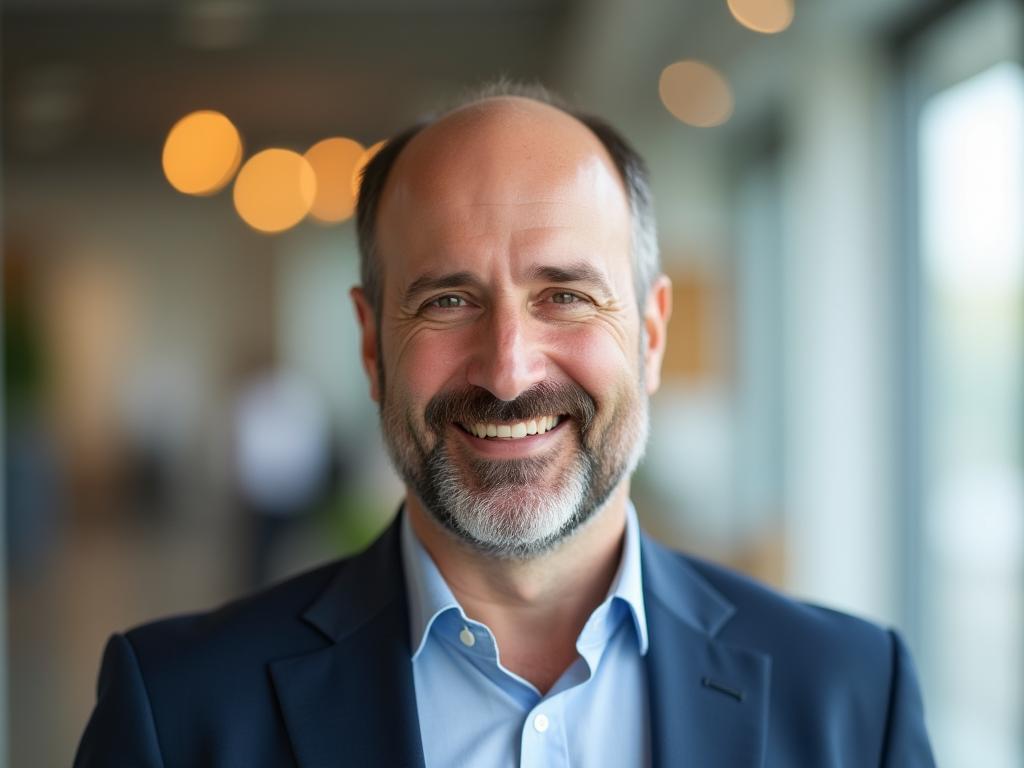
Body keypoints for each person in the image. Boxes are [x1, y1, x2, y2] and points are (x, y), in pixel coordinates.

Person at [75, 84, 936, 767]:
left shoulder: (855, 699)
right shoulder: (177, 712)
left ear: (650, 335)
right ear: (372, 345)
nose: (509, 370)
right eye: (448, 301)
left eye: (564, 295)